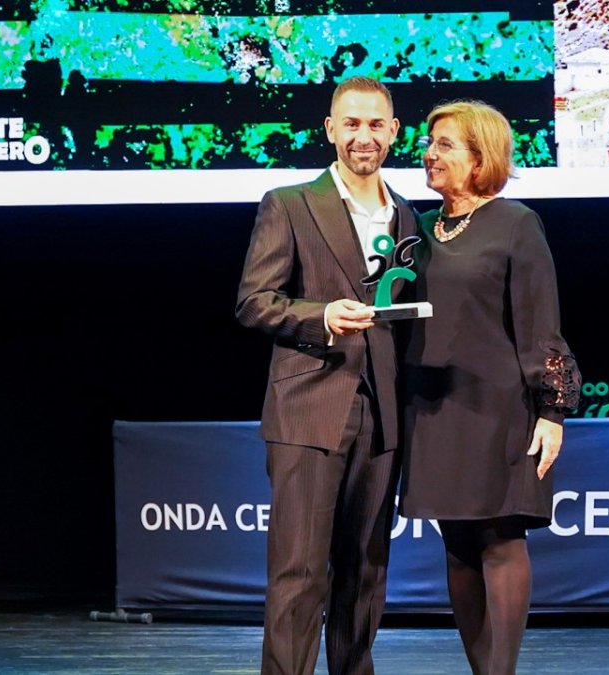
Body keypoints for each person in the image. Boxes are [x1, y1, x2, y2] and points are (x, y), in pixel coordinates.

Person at [235, 76, 418, 675]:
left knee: (366, 571)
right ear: (330, 129)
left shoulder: (408, 217)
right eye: (352, 123)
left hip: (381, 412)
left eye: (375, 124)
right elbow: (254, 302)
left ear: (394, 132)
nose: (364, 136)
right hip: (310, 406)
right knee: (299, 572)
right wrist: (321, 317)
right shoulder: (289, 203)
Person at [399, 100, 581, 675]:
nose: (429, 153)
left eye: (444, 144)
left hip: (499, 408)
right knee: (457, 544)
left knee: (500, 539)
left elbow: (539, 322)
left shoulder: (516, 223)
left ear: (481, 159)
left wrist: (552, 410)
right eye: (429, 142)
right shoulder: (416, 229)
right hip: (434, 408)